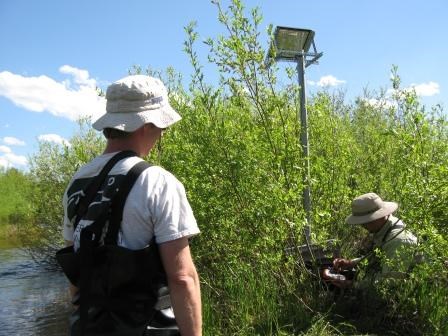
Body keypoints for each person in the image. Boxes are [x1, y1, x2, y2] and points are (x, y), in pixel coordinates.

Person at [61, 75, 202, 336]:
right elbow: (182, 278)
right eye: (161, 126)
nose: (162, 134)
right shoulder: (158, 182)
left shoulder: (77, 182)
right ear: (146, 124)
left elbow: (76, 277)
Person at [324, 192, 418, 289]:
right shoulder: (386, 226)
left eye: (365, 221)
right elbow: (379, 255)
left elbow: (391, 282)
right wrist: (351, 263)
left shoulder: (397, 241)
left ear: (379, 216)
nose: (362, 225)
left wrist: (352, 285)